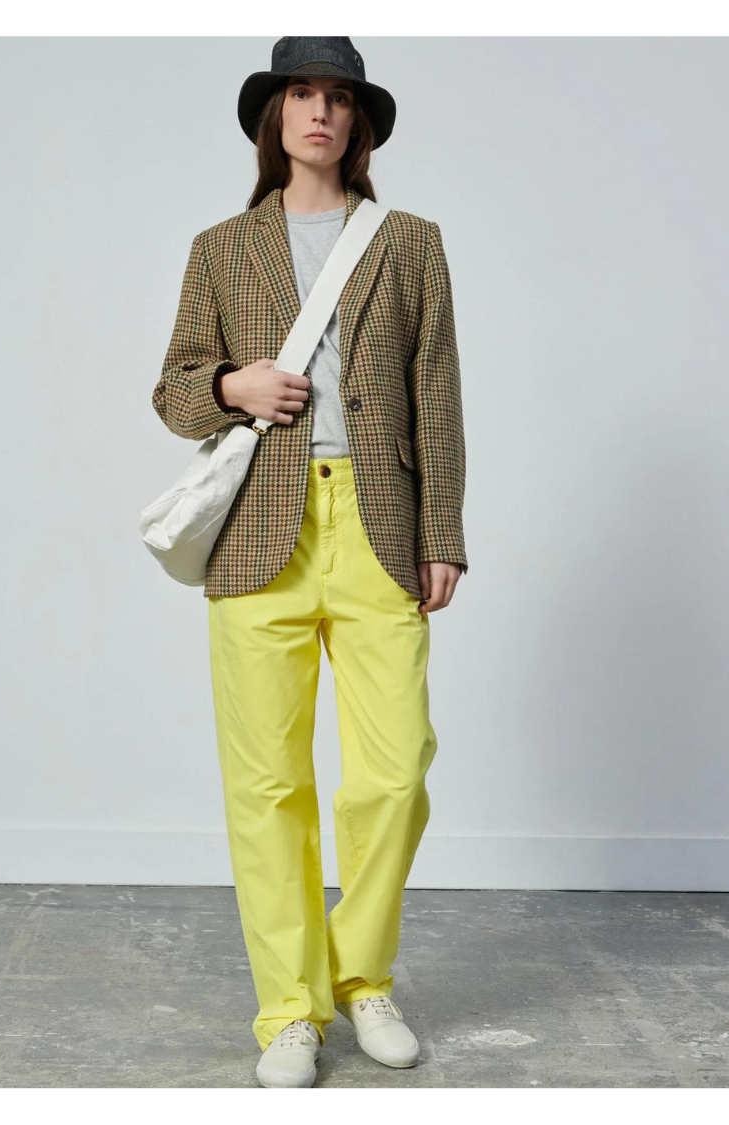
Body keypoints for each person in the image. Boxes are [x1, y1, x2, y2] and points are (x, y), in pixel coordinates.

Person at [152, 36, 468, 1088]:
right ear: (275, 116)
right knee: (267, 781)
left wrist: (442, 533)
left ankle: (361, 977)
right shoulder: (220, 247)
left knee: (394, 771)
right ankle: (289, 1009)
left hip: (378, 522)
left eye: (338, 96)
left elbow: (437, 395)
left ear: (358, 120)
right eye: (302, 94)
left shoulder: (410, 242)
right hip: (259, 533)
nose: (320, 112)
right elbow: (173, 390)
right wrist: (231, 386)